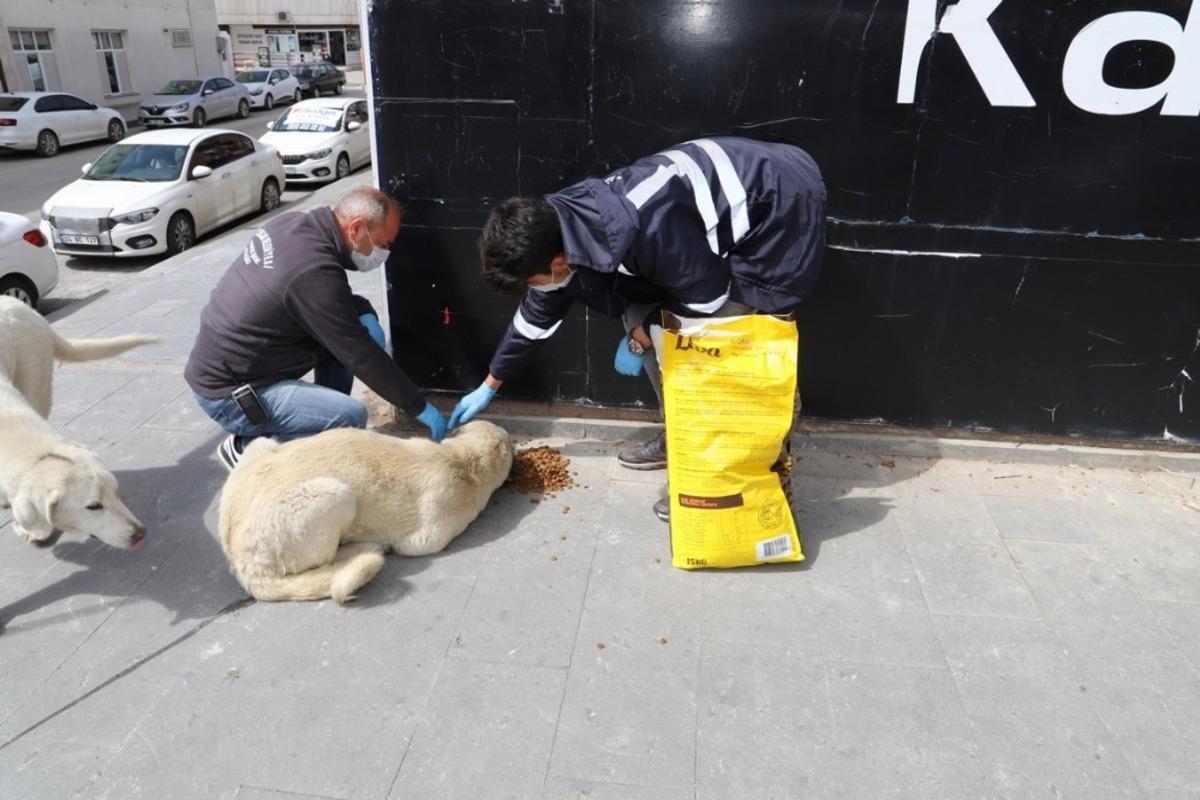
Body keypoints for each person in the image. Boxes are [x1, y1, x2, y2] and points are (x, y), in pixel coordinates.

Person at [448, 136, 826, 519]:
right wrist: (489, 384)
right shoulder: (557, 225)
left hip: (778, 207)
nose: (536, 289)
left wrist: (644, 334)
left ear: (559, 262)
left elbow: (706, 300)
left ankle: (738, 475)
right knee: (641, 320)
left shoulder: (648, 225)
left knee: (724, 341)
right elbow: (537, 314)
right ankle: (682, 436)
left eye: (532, 281)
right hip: (698, 235)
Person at [185, 186, 447, 471]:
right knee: (349, 416)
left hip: (235, 364)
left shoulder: (295, 226)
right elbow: (359, 353)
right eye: (383, 244)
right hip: (232, 394)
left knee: (344, 339)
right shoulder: (312, 270)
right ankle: (249, 448)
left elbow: (331, 302)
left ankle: (319, 428)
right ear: (357, 228)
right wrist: (418, 406)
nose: (384, 253)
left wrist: (365, 312)